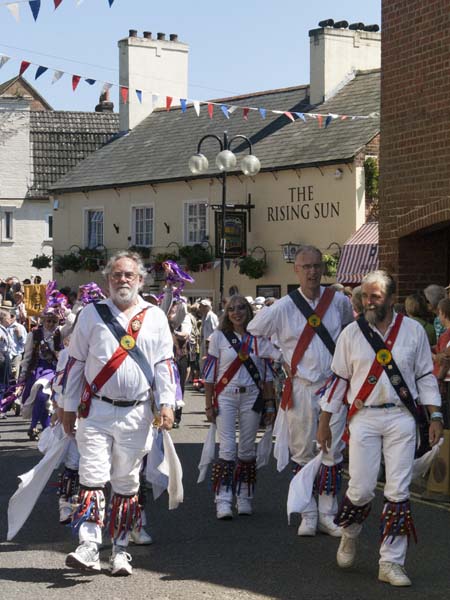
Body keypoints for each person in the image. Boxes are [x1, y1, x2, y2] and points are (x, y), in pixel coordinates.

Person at [317, 270, 443, 587]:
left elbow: (426, 375)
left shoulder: (413, 331)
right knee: (359, 488)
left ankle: (390, 562)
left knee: (398, 490)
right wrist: (324, 421)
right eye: (365, 296)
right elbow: (338, 379)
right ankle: (349, 534)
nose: (369, 301)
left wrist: (436, 415)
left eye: (375, 296)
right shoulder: (351, 334)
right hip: (364, 418)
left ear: (390, 297)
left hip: (402, 417)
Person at [62, 251, 176, 577]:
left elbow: (164, 364)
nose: (122, 280)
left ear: (141, 280)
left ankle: (121, 550)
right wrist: (69, 407)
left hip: (137, 414)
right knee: (92, 475)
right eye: (116, 275)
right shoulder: (91, 314)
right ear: (107, 280)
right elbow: (76, 363)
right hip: (97, 409)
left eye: (129, 275)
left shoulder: (154, 316)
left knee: (126, 482)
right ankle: (88, 545)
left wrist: (166, 403)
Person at [247, 245, 354, 536]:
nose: (312, 272)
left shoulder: (339, 301)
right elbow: (253, 334)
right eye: (305, 267)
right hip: (301, 388)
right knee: (303, 451)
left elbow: (349, 336)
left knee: (333, 450)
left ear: (323, 268)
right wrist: (281, 356)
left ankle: (327, 513)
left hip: (333, 387)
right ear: (296, 270)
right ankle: (307, 513)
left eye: (317, 266)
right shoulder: (282, 307)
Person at [203, 295, 279, 519]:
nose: (237, 312)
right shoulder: (218, 337)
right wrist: (209, 404)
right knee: (227, 448)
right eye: (232, 309)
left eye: (241, 308)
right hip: (225, 396)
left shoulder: (258, 338)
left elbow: (266, 375)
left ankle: (244, 496)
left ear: (248, 311)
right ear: (226, 313)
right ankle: (223, 500)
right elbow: (209, 374)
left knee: (247, 449)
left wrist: (270, 404)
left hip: (252, 397)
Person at [19, 307, 64, 440]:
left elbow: (73, 324)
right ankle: (46, 430)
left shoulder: (60, 333)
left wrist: (66, 308)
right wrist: (22, 376)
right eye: (48, 320)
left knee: (42, 395)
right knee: (39, 398)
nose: (50, 324)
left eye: (54, 321)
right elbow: (27, 356)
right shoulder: (34, 334)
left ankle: (33, 426)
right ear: (43, 320)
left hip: (55, 370)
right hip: (37, 369)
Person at [199, 299, 218, 364]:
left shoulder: (212, 316)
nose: (200, 308)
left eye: (201, 306)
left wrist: (209, 342)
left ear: (206, 307)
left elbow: (215, 330)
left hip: (210, 344)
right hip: (205, 343)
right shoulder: (204, 316)